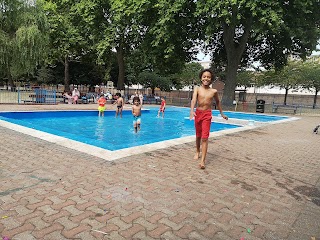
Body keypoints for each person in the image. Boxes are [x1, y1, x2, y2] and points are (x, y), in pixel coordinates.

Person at [189, 69, 228, 169]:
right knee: (198, 136)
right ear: (201, 78)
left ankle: (203, 161)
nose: (206, 78)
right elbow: (193, 99)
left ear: (211, 79)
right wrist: (191, 111)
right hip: (198, 113)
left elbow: (218, 102)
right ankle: (197, 151)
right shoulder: (197, 88)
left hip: (207, 114)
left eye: (208, 77)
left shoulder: (214, 91)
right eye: (204, 76)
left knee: (205, 137)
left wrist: (222, 113)